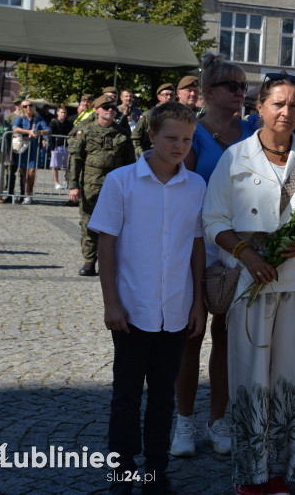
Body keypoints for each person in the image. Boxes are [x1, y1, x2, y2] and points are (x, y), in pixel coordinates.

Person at [202, 75, 295, 495]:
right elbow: (214, 221)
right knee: (251, 377)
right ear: (259, 107)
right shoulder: (235, 157)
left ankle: (284, 468)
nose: (286, 112)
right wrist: (248, 255)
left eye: (294, 106)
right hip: (252, 283)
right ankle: (251, 473)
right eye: (278, 104)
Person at [88, 101, 206, 495]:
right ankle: (122, 470)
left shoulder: (196, 186)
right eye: (171, 137)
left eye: (187, 140)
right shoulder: (121, 181)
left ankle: (156, 471)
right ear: (151, 135)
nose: (179, 146)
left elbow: (196, 246)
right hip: (132, 309)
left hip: (175, 309)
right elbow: (107, 244)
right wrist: (111, 302)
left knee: (162, 398)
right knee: (125, 396)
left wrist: (198, 302)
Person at [170, 54, 257, 459]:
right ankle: (183, 422)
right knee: (191, 335)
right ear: (207, 92)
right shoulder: (194, 133)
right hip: (199, 245)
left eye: (243, 86)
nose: (241, 93)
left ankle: (217, 420)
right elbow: (182, 195)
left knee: (227, 339)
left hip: (240, 247)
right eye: (232, 86)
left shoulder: (253, 130)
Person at [69, 93, 135, 276]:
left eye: (113, 108)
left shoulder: (122, 134)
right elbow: (75, 159)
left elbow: (130, 164)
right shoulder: (87, 131)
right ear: (97, 110)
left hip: (115, 186)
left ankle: (110, 262)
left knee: (115, 225)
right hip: (91, 185)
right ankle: (89, 261)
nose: (110, 111)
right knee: (89, 224)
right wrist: (73, 186)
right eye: (106, 108)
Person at [10, 99, 49, 205]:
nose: (28, 108)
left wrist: (38, 132)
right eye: (25, 106)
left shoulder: (38, 118)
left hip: (33, 148)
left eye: (30, 105)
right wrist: (28, 132)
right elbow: (15, 128)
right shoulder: (20, 118)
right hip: (23, 148)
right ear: (22, 108)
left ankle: (29, 193)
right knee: (24, 173)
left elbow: (48, 130)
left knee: (32, 172)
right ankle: (25, 194)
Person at [134, 84, 176, 157]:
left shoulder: (178, 116)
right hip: (150, 156)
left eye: (172, 95)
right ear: (159, 97)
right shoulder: (148, 116)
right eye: (166, 95)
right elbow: (135, 138)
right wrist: (142, 154)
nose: (169, 97)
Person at [49, 105, 73, 190]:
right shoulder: (53, 122)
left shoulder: (69, 123)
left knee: (68, 166)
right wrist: (52, 148)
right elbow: (50, 136)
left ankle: (67, 182)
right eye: (62, 112)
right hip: (57, 146)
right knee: (55, 166)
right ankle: (56, 183)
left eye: (65, 112)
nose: (64, 114)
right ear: (58, 113)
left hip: (67, 146)